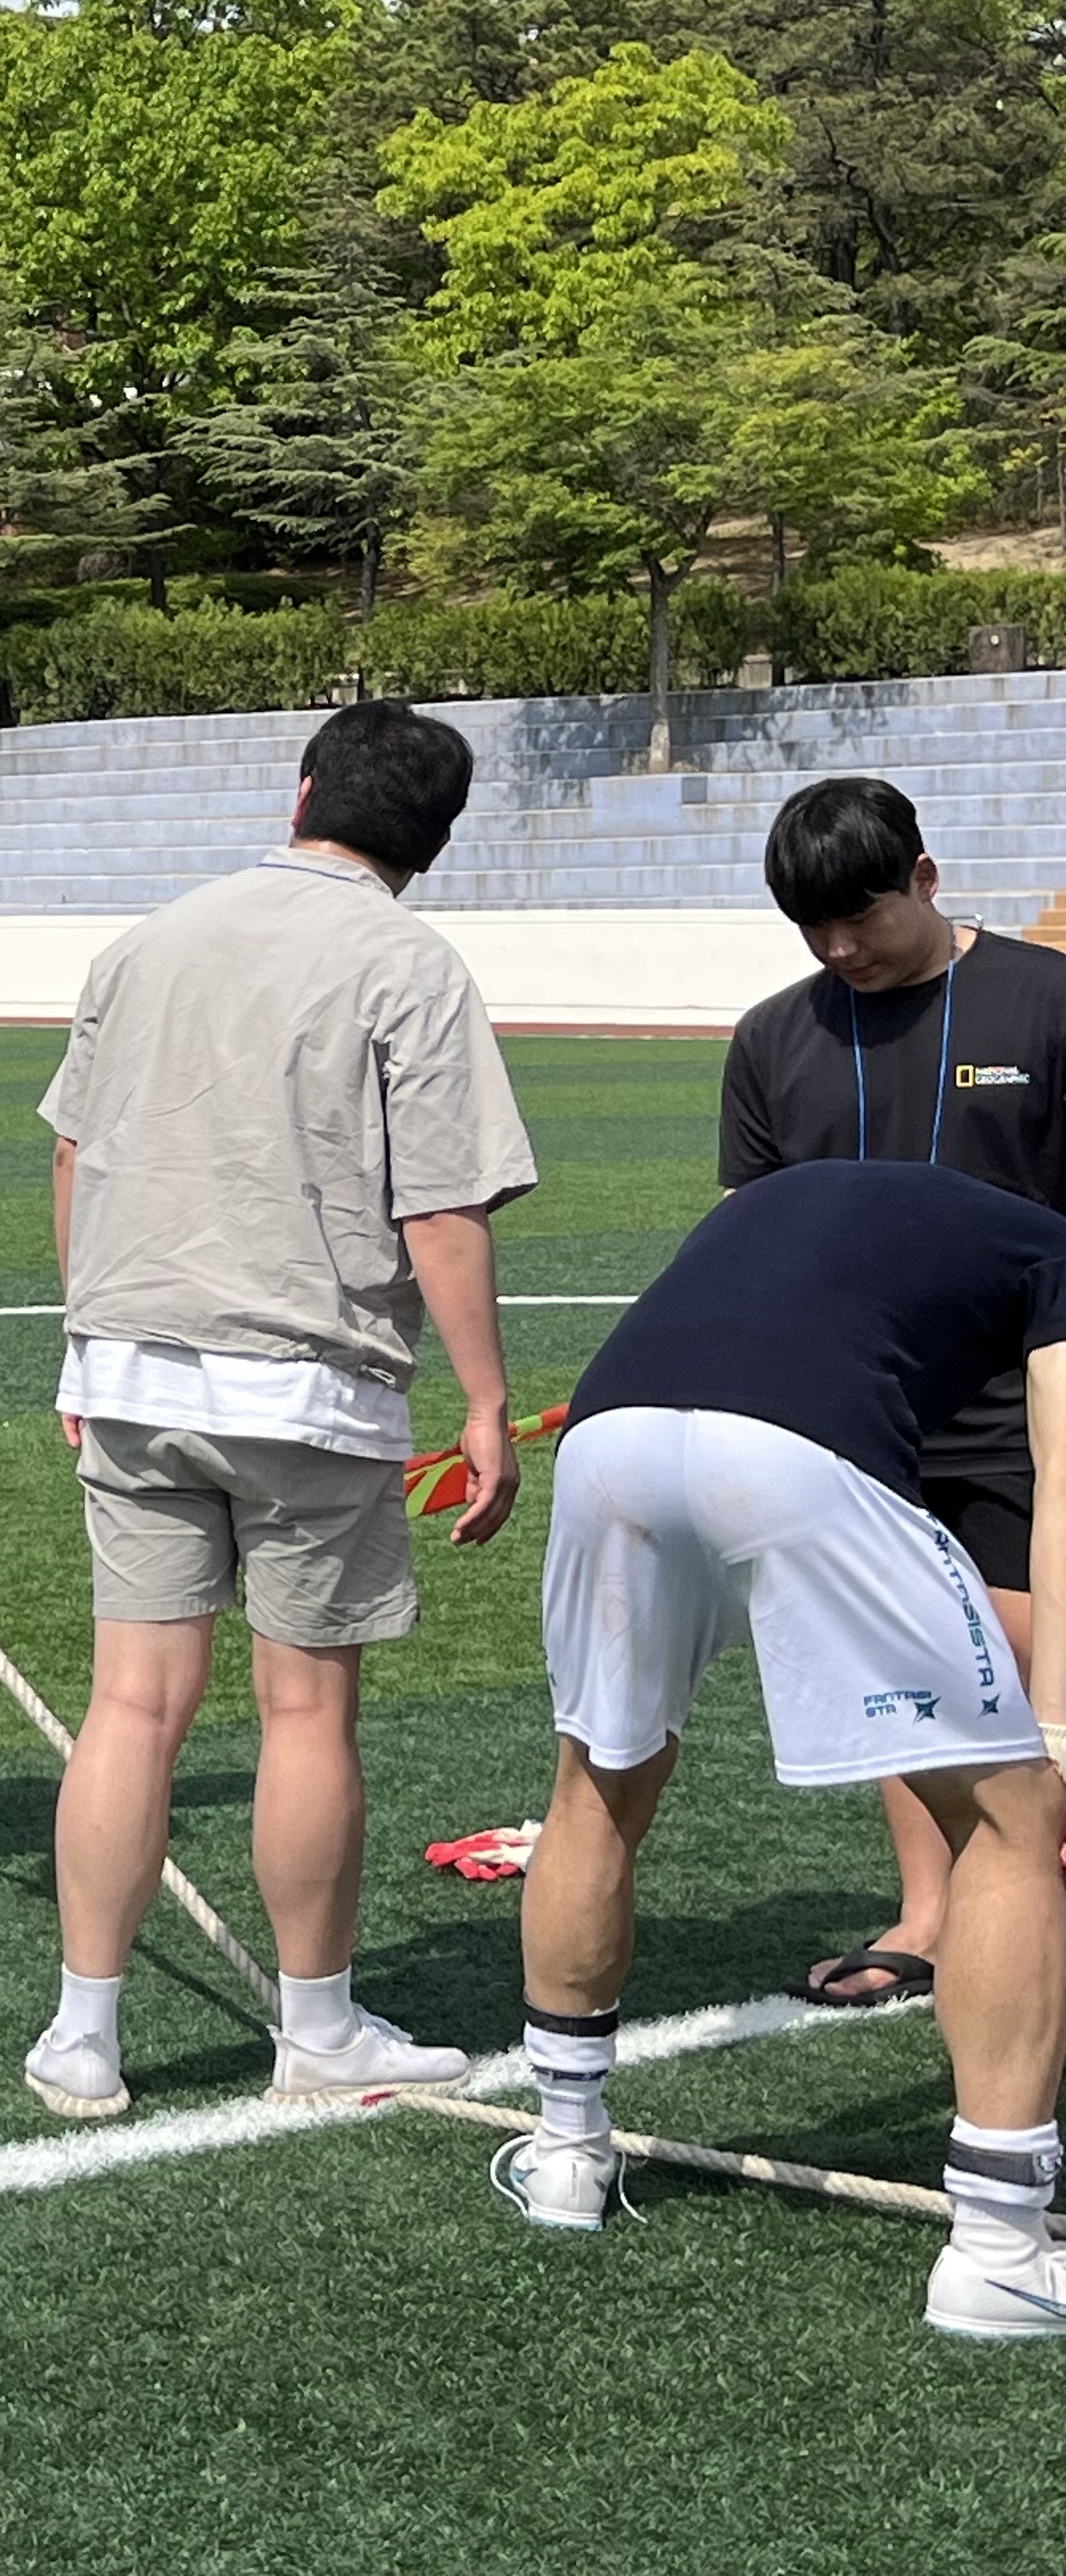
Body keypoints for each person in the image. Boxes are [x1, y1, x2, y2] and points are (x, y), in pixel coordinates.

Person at [28, 699, 534, 2118]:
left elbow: (72, 1155)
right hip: (312, 1383)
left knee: (131, 1705)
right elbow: (441, 1205)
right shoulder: (408, 962)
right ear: (433, 841)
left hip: (132, 1367)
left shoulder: (151, 939)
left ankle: (82, 2033)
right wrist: (486, 1401)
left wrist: (86, 1336)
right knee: (305, 1710)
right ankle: (316, 2029)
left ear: (302, 791)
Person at [500, 1158, 1066, 2335]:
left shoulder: (834, 1198)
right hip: (796, 1446)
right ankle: (1002, 2248)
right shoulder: (1055, 1249)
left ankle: (563, 2153)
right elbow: (1063, 1483)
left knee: (595, 1788)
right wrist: (1054, 1727)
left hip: (609, 1437)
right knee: (1011, 1821)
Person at [722, 775, 1066, 2013]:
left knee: (1028, 1671)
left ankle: (1023, 1894)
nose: (837, 948)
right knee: (903, 1669)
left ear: (925, 876)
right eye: (810, 927)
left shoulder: (1047, 1003)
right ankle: (932, 1912)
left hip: (1032, 1405)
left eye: (859, 915)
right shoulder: (772, 1039)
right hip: (858, 1420)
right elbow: (748, 1240)